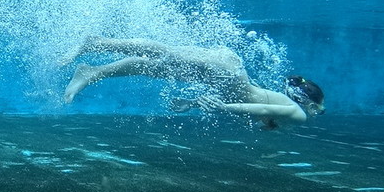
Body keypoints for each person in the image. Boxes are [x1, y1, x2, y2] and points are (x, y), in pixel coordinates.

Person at [63, 36, 324, 129]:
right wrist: (221, 109)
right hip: (227, 74)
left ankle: (91, 73)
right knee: (164, 53)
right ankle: (96, 43)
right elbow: (260, 109)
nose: (317, 114)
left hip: (224, 78)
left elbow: (234, 101)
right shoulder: (298, 114)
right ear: (308, 103)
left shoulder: (289, 108)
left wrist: (192, 104)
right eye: (318, 109)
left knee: (153, 68)